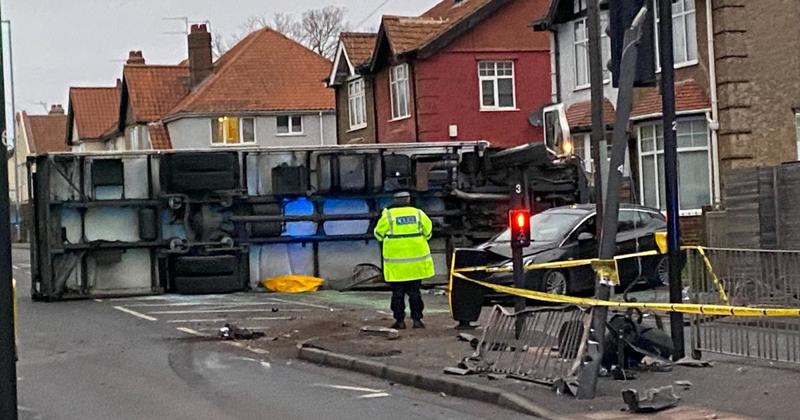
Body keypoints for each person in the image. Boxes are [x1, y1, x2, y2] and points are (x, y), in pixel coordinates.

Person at [374, 191, 434, 329]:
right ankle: (417, 321)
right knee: (415, 292)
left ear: (394, 201)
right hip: (416, 264)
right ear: (408, 200)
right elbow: (428, 232)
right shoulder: (418, 214)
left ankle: (399, 321)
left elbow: (378, 234)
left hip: (396, 266)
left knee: (397, 293)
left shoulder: (388, 215)